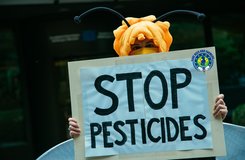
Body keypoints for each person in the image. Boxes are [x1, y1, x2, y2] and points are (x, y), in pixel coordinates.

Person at [68, 15, 228, 142]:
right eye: (136, 47)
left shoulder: (185, 83)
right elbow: (102, 134)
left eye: (150, 45)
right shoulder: (110, 90)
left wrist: (215, 117)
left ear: (162, 48)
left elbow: (197, 128)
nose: (144, 51)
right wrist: (81, 133)